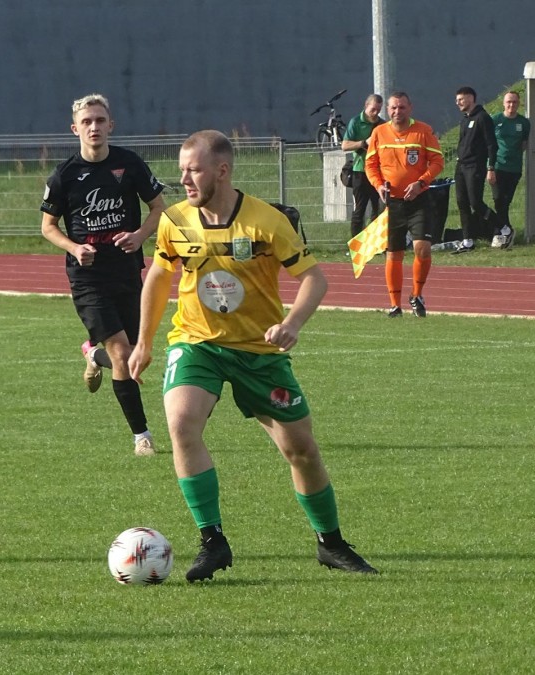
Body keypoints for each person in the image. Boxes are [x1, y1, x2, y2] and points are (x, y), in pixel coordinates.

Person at [128, 130, 377, 582]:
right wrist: (144, 342)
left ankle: (331, 543)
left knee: (300, 450)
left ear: (222, 171)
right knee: (181, 424)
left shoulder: (266, 222)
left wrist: (292, 324)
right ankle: (212, 541)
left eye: (194, 170)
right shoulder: (174, 221)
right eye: (182, 170)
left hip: (260, 351)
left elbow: (315, 279)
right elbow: (159, 277)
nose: (184, 179)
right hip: (197, 343)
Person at [40, 93, 167, 457]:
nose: (93, 127)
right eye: (86, 122)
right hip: (88, 279)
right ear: (75, 129)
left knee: (137, 354)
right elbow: (48, 227)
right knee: (123, 354)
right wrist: (74, 248)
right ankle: (142, 437)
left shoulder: (129, 164)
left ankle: (95, 357)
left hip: (127, 271)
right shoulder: (64, 175)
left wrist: (140, 236)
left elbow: (158, 208)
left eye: (99, 120)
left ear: (111, 125)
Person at [363, 91, 445, 317]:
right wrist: (378, 185)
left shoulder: (423, 131)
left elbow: (437, 161)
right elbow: (371, 165)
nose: (397, 111)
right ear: (387, 110)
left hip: (419, 200)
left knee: (422, 248)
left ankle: (416, 294)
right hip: (392, 203)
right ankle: (395, 305)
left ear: (410, 108)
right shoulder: (379, 132)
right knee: (393, 253)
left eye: (401, 107)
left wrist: (421, 182)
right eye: (393, 108)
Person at [451, 86, 497, 254]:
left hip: (475, 167)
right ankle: (467, 240)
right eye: (456, 100)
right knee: (462, 203)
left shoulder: (482, 118)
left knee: (476, 203)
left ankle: (503, 227)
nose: (458, 103)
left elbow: (491, 144)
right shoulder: (465, 119)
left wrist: (491, 167)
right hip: (461, 166)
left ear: (470, 98)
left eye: (461, 99)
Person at [488, 91, 530, 249]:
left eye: (514, 102)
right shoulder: (496, 120)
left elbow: (524, 144)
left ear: (518, 103)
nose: (511, 105)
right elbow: (489, 144)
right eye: (508, 102)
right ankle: (504, 231)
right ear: (503, 103)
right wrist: (490, 167)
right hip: (497, 166)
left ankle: (502, 233)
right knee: (498, 199)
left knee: (506, 201)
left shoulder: (524, 123)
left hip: (514, 168)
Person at [341, 94, 384, 239]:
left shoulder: (382, 125)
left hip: (378, 172)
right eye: (373, 110)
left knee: (378, 209)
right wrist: (364, 143)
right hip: (360, 171)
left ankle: (375, 242)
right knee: (360, 209)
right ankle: (357, 242)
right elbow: (345, 145)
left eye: (378, 110)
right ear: (366, 106)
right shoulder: (355, 122)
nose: (375, 113)